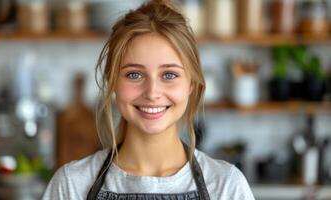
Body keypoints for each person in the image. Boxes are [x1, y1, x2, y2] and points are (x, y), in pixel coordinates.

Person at [42, 0, 255, 199]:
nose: (152, 92)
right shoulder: (71, 185)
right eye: (134, 74)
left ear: (191, 84)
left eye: (169, 75)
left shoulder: (226, 186)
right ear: (112, 81)